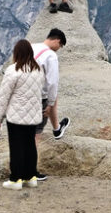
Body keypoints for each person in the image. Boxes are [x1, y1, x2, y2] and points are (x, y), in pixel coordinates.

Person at [0, 39, 45, 190]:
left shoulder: (13, 70)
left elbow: (4, 96)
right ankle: (31, 177)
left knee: (16, 148)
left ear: (16, 53)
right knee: (30, 146)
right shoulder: (39, 70)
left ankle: (16, 180)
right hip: (33, 116)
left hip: (16, 116)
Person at [32, 28, 71, 180]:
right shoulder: (51, 55)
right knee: (35, 135)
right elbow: (52, 82)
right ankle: (31, 171)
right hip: (38, 97)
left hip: (22, 94)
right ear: (57, 41)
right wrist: (50, 103)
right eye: (60, 46)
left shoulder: (31, 47)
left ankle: (57, 129)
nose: (58, 49)